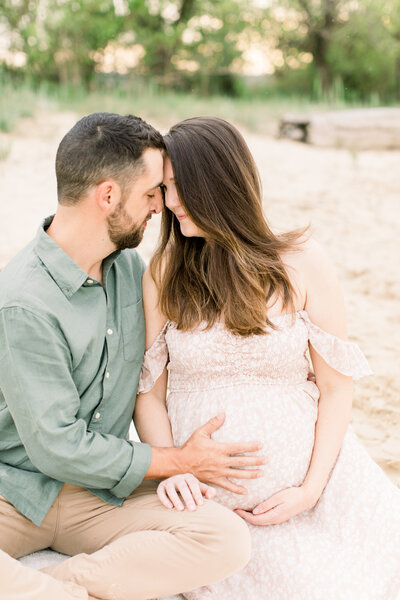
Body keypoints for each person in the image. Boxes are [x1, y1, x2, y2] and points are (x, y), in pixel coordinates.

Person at [0, 112, 266, 600]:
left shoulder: (131, 269)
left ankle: (58, 589)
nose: (161, 207)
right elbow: (56, 446)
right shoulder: (22, 302)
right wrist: (176, 460)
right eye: (151, 193)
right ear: (108, 196)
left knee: (223, 538)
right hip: (15, 492)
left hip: (98, 495)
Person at [134, 116, 400, 600]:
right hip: (204, 502)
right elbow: (147, 393)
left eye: (178, 188)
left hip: (317, 492)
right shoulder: (165, 271)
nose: (169, 203)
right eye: (165, 189)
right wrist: (175, 468)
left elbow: (337, 387)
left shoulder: (301, 260)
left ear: (219, 184)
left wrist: (310, 490)